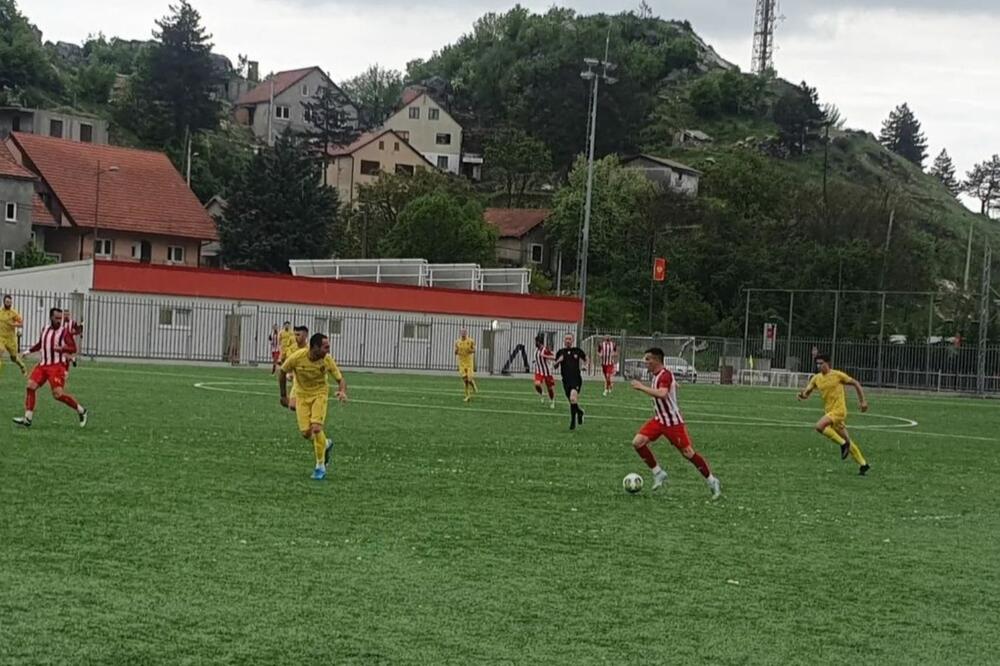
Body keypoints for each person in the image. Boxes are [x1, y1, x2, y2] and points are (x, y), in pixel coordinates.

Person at [630, 347, 721, 498]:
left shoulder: (664, 375)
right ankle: (658, 473)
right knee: (637, 442)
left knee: (688, 453)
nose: (645, 362)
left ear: (656, 360)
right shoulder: (658, 374)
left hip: (673, 423)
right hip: (659, 419)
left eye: (648, 359)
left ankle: (712, 481)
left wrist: (641, 387)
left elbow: (663, 394)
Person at [279, 332, 347, 480]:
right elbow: (282, 371)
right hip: (302, 396)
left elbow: (340, 379)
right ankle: (326, 444)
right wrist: (283, 395)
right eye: (325, 347)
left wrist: (342, 391)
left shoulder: (327, 360)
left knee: (316, 428)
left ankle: (320, 466)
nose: (328, 351)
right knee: (306, 433)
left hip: (319, 395)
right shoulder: (298, 357)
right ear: (314, 347)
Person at [13, 307, 88, 428]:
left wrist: (62, 348)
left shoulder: (64, 332)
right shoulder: (45, 329)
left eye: (60, 318)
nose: (59, 320)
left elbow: (73, 348)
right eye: (56, 318)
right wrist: (27, 351)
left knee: (58, 395)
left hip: (56, 366)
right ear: (51, 317)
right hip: (43, 365)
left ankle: (81, 411)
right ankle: (28, 418)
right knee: (30, 387)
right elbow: (40, 344)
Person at [797, 354, 871, 476]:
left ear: (828, 363)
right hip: (830, 412)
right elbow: (807, 392)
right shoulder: (816, 378)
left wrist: (863, 401)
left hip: (839, 411)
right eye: (817, 364)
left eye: (821, 363)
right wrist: (802, 395)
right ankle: (863, 464)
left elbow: (856, 383)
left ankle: (842, 444)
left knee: (819, 426)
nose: (819, 366)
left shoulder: (837, 375)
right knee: (848, 440)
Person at [553, 333, 587, 430]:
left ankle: (573, 423)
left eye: (570, 339)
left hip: (576, 379)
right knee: (572, 402)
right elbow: (555, 366)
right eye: (566, 339)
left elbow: (586, 358)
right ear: (564, 340)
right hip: (566, 380)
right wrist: (559, 361)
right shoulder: (560, 352)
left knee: (573, 399)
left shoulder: (577, 351)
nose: (568, 341)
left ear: (572, 341)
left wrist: (585, 365)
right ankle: (579, 412)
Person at [0, 294, 27, 376]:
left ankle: (22, 366)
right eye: (7, 302)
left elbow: (21, 324)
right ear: (4, 302)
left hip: (11, 339)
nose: (9, 304)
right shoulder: (0, 312)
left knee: (13, 358)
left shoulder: (13, 313)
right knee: (0, 351)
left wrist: (14, 325)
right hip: (1, 337)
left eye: (10, 302)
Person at [286, 325, 309, 411]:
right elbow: (289, 363)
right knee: (292, 406)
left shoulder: (309, 350)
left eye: (298, 335)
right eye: (295, 335)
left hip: (308, 381)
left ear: (305, 335)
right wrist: (289, 373)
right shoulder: (292, 349)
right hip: (297, 381)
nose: (296, 337)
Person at [532, 335, 556, 409]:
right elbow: (537, 358)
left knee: (550, 388)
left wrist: (546, 356)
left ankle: (552, 401)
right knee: (537, 384)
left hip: (547, 372)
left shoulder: (545, 350)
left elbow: (554, 357)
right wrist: (535, 361)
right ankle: (542, 393)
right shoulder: (536, 350)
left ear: (539, 342)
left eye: (536, 341)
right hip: (539, 371)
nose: (535, 343)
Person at [455, 328, 477, 402]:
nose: (463, 333)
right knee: (465, 380)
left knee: (469, 379)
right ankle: (468, 396)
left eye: (464, 332)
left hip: (469, 363)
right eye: (462, 332)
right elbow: (456, 352)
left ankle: (473, 385)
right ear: (460, 333)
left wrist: (470, 350)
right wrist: (456, 351)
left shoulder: (471, 341)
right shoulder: (457, 342)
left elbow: (474, 350)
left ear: (466, 333)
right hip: (461, 363)